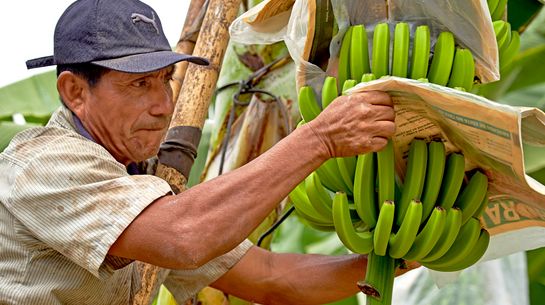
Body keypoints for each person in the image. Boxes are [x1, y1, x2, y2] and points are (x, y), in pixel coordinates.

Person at [0, 0, 409, 304]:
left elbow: (270, 277)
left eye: (163, 79)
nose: (163, 103)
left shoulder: (140, 185)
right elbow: (184, 236)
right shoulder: (43, 164)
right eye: (139, 84)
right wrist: (318, 139)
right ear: (75, 92)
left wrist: (408, 256)